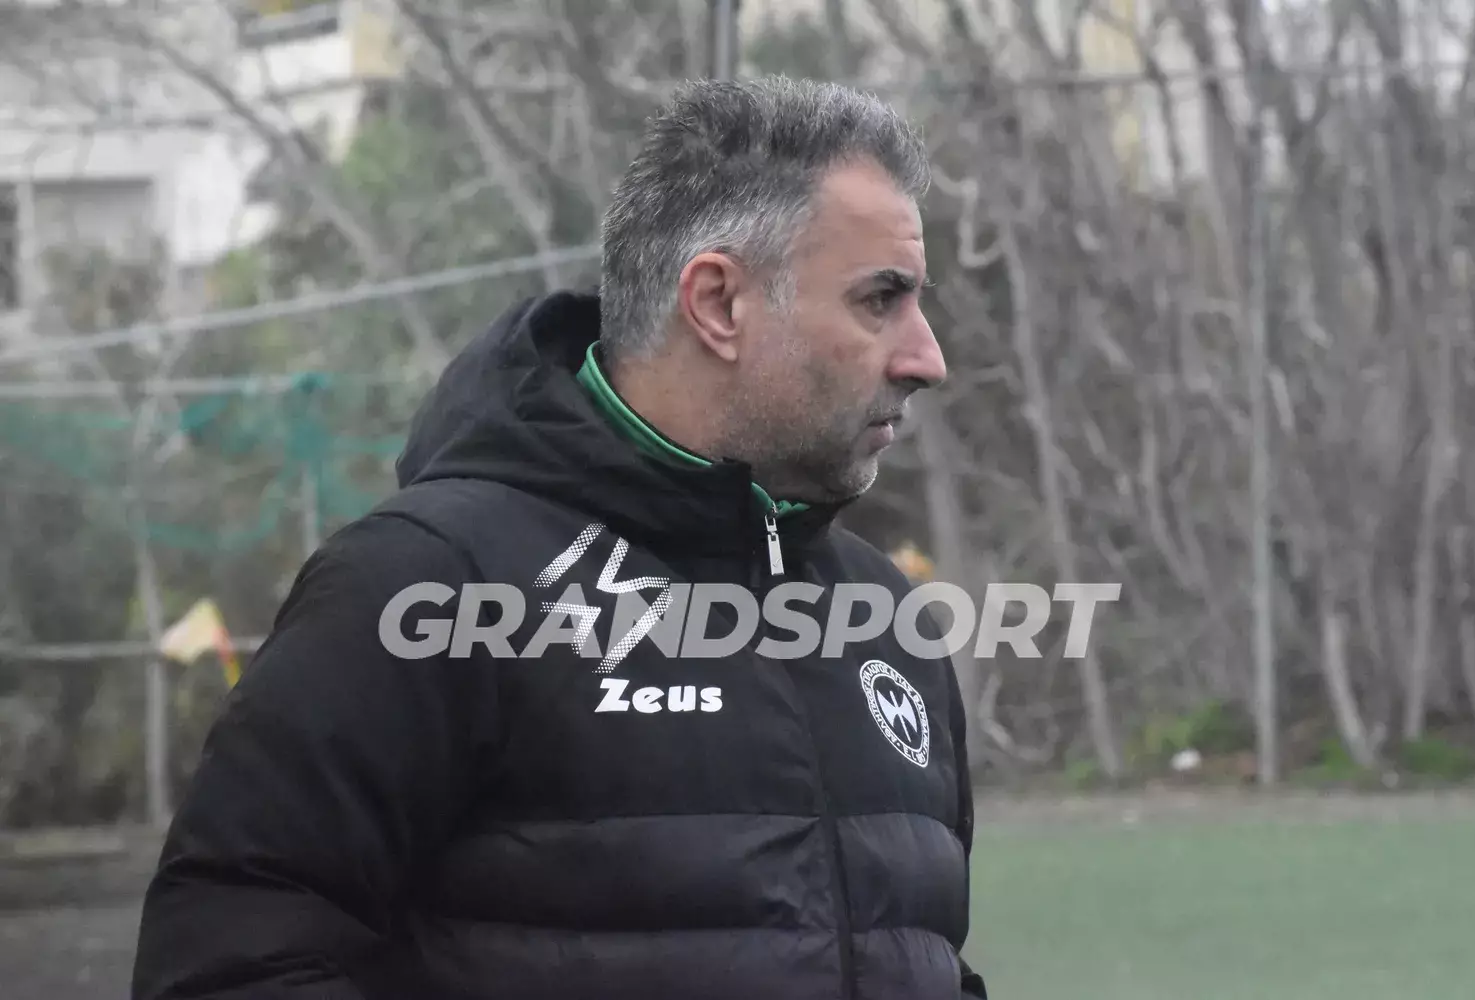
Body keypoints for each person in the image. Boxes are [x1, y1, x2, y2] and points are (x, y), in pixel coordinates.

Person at [131, 75, 987, 1000]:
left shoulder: (886, 618)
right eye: (880, 299)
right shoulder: (426, 583)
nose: (927, 357)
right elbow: (228, 968)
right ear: (718, 304)